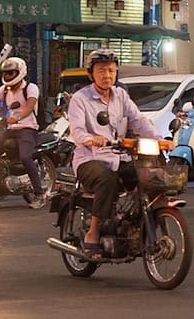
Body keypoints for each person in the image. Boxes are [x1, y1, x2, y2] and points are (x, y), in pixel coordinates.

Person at [68, 49, 159, 259]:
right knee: (107, 179)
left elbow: (139, 120)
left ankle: (134, 221)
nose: (107, 75)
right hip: (89, 158)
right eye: (101, 71)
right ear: (91, 74)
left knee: (146, 174)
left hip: (119, 156)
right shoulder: (80, 99)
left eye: (111, 70)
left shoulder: (121, 95)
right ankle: (93, 232)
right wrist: (92, 138)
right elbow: (77, 130)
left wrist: (159, 139)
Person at [0, 57, 46, 209]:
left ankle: (39, 194)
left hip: (28, 128)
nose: (8, 76)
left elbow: (29, 106)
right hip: (10, 129)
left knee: (25, 157)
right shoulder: (4, 89)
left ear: (20, 72)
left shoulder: (31, 88)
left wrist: (18, 117)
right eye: (6, 73)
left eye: (11, 73)